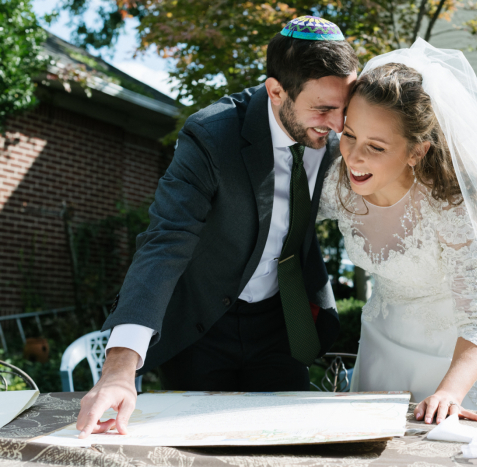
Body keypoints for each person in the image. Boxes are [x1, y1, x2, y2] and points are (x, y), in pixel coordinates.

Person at [75, 16, 357, 438]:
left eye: (345, 109)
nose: (338, 126)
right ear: (276, 91)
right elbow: (165, 242)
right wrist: (118, 368)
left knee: (289, 446)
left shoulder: (340, 135)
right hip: (202, 328)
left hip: (283, 322)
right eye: (323, 110)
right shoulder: (211, 136)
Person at [317, 39, 477, 425]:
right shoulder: (341, 184)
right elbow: (284, 219)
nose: (354, 156)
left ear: (417, 151)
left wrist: (449, 392)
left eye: (376, 147)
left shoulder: (451, 210)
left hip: (456, 366)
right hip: (382, 353)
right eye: (349, 135)